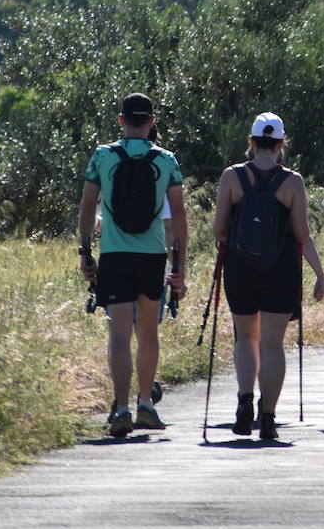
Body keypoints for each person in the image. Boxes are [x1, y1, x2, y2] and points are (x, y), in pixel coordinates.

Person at [78, 93, 188, 438]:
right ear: (152, 122)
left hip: (114, 253)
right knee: (149, 333)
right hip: (152, 255)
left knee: (120, 333)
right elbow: (179, 214)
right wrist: (180, 264)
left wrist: (85, 252)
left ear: (121, 120)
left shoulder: (102, 156)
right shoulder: (167, 160)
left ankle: (121, 408)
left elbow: (86, 208)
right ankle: (146, 406)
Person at [211, 112, 324, 441]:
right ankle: (269, 417)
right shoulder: (292, 182)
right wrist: (319, 273)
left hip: (240, 267)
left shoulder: (232, 177)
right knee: (272, 343)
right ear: (281, 144)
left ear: (251, 141)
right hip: (281, 269)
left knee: (245, 338)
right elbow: (301, 234)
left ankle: (244, 401)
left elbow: (219, 229)